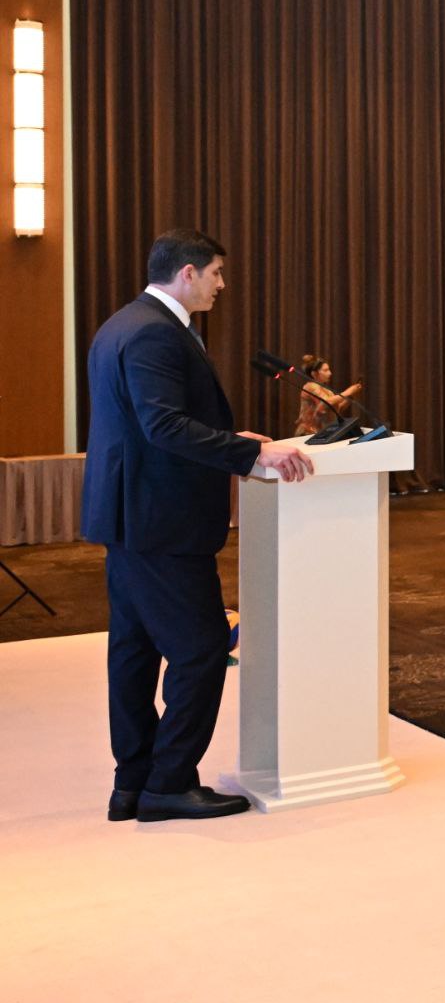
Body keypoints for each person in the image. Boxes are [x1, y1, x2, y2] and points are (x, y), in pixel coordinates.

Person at [83, 229, 316, 824]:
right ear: (187, 273)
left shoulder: (124, 323)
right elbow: (163, 427)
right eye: (215, 273)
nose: (222, 285)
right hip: (161, 521)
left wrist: (229, 438)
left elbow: (148, 423)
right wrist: (251, 454)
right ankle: (168, 783)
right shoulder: (157, 333)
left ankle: (133, 783)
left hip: (133, 516)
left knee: (134, 652)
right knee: (202, 651)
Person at [291, 355, 362, 437]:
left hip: (323, 432)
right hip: (308, 433)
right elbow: (327, 401)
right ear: (314, 373)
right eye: (325, 370)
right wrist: (348, 392)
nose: (330, 373)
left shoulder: (327, 390)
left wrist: (351, 395)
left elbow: (338, 408)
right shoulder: (310, 386)